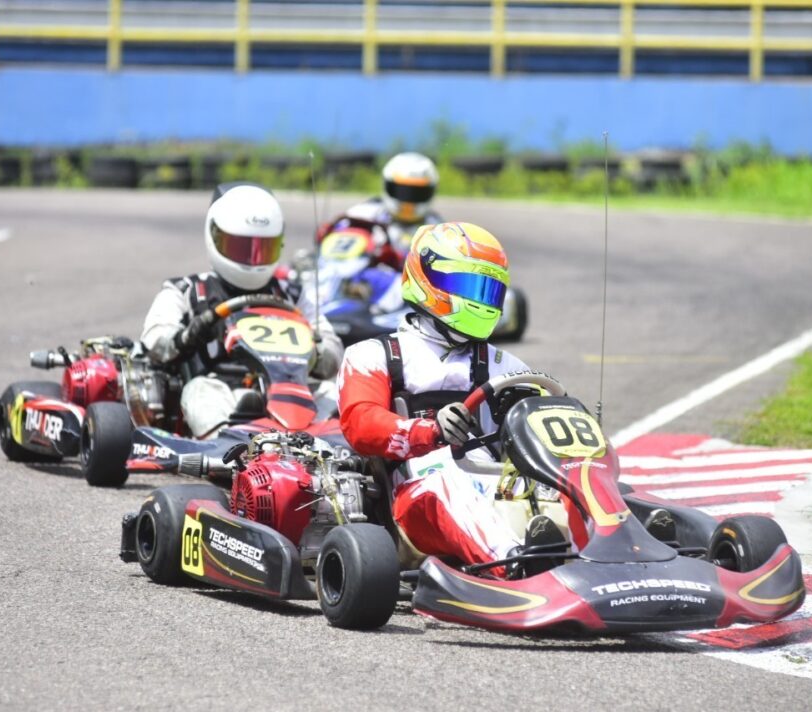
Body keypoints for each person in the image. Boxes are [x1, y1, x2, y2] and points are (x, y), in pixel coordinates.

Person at [337, 222, 562, 576]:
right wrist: (429, 431)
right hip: (417, 493)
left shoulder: (505, 364)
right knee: (450, 482)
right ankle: (514, 564)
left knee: (558, 485)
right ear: (428, 279)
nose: (480, 300)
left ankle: (608, 552)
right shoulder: (374, 355)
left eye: (488, 291)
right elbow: (360, 423)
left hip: (491, 479)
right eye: (470, 287)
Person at [141, 183, 343, 438]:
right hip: (222, 386)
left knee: (334, 392)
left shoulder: (292, 293)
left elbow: (334, 351)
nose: (252, 259)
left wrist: (316, 351)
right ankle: (233, 445)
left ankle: (328, 444)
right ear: (215, 236)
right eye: (241, 247)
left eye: (263, 249)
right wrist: (189, 335)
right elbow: (154, 340)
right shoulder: (190, 290)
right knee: (200, 392)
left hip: (290, 392)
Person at [323, 152, 444, 271]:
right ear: (387, 186)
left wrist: (397, 260)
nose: (408, 199)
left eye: (417, 193)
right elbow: (335, 239)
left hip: (404, 285)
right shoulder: (363, 213)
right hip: (357, 276)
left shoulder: (439, 230)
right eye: (402, 191)